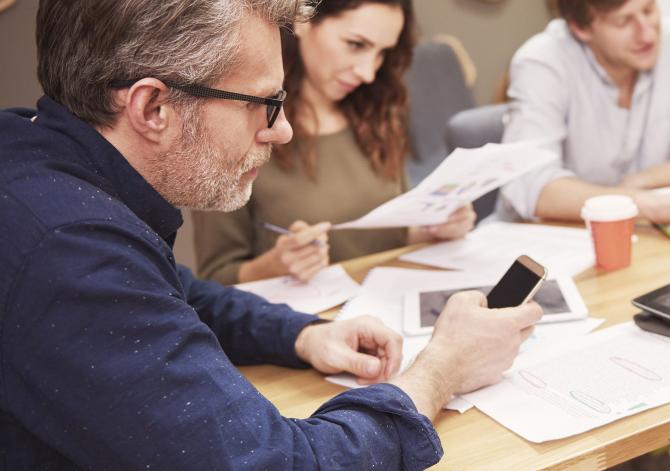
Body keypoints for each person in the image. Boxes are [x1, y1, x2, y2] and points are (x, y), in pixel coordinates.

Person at [0, 1, 542, 468]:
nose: (280, 130)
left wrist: (300, 336)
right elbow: (280, 463)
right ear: (153, 107)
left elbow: (176, 289)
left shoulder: (36, 157)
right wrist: (442, 370)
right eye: (264, 103)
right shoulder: (68, 250)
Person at [193, 0, 475, 285]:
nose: (368, 73)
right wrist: (276, 265)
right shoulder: (237, 128)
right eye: (355, 44)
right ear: (303, 20)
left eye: (382, 53)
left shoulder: (377, 111)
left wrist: (434, 230)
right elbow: (214, 280)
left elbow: (381, 238)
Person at [497, 0, 670, 237]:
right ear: (581, 28)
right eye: (623, 21)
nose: (647, 33)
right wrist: (646, 204)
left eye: (649, 9)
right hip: (544, 243)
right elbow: (531, 185)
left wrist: (641, 182)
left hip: (636, 239)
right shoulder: (542, 61)